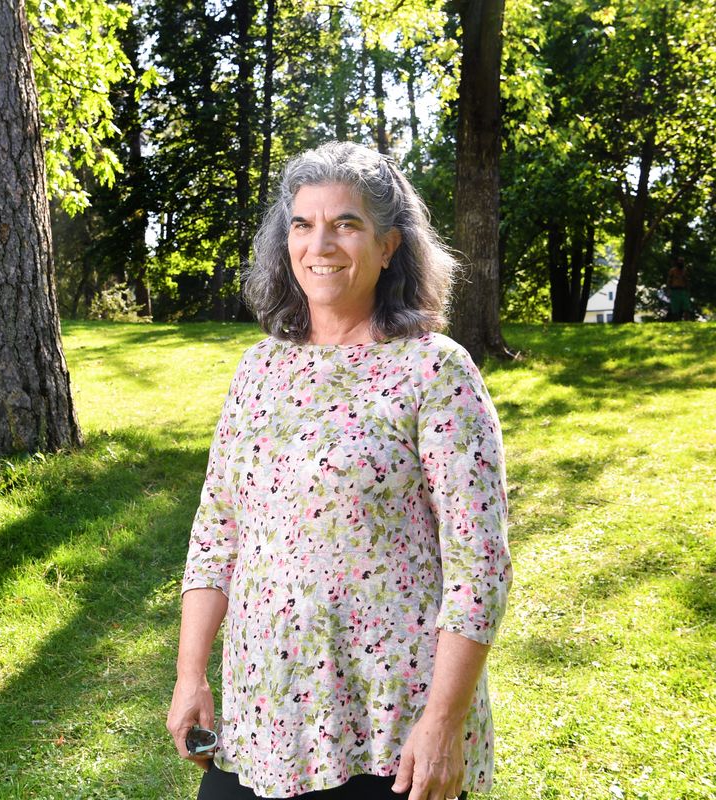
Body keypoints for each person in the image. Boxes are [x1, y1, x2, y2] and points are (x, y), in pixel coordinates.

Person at [167, 142, 513, 800]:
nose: (320, 244)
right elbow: (216, 534)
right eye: (303, 225)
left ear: (389, 247)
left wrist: (442, 724)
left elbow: (479, 568)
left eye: (345, 224)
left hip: (391, 734)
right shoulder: (258, 369)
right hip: (262, 719)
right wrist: (191, 676)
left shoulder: (435, 370)